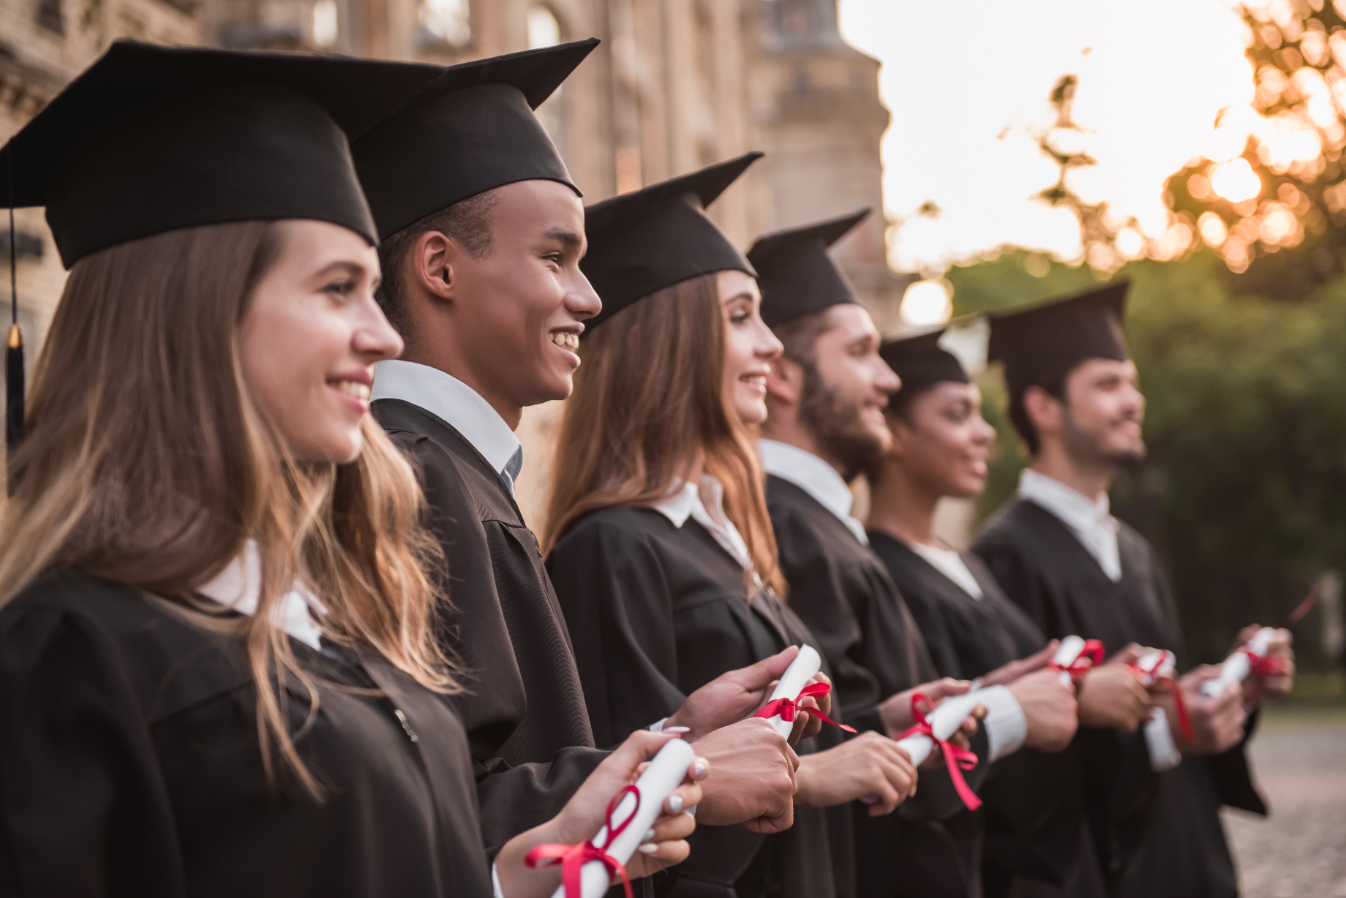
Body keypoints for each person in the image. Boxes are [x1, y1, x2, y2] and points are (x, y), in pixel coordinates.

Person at [0, 41, 704, 898]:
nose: (379, 336)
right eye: (338, 289)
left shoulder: (329, 611)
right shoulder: (66, 655)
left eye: (373, 290)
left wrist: (503, 878)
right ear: (198, 313)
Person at [352, 43, 801, 864]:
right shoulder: (413, 478)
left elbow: (499, 770)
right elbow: (428, 813)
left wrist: (670, 737)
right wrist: (681, 771)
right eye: (555, 258)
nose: (589, 299)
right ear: (440, 267)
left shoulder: (455, 473)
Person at [544, 156, 923, 898]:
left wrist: (877, 719)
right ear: (670, 341)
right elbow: (613, 815)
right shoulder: (613, 549)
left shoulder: (720, 536)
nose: (773, 346)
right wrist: (806, 779)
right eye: (742, 317)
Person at [753, 212, 1077, 898]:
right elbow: (837, 757)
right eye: (861, 352)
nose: (888, 378)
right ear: (781, 376)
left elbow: (860, 722)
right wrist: (1008, 714)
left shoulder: (820, 522)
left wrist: (987, 697)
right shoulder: (786, 524)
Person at [971, 282, 1296, 898]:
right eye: (1107, 384)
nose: (1133, 401)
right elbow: (1024, 763)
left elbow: (1161, 702)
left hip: (1189, 855)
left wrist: (1230, 691)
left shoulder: (1132, 549)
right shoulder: (1006, 557)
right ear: (1043, 407)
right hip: (1106, 871)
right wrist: (1165, 734)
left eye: (1132, 382)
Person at [868, 329, 1155, 898]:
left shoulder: (967, 565)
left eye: (979, 413)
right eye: (956, 414)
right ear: (892, 431)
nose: (984, 434)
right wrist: (1073, 699)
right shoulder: (883, 576)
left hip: (1063, 863)